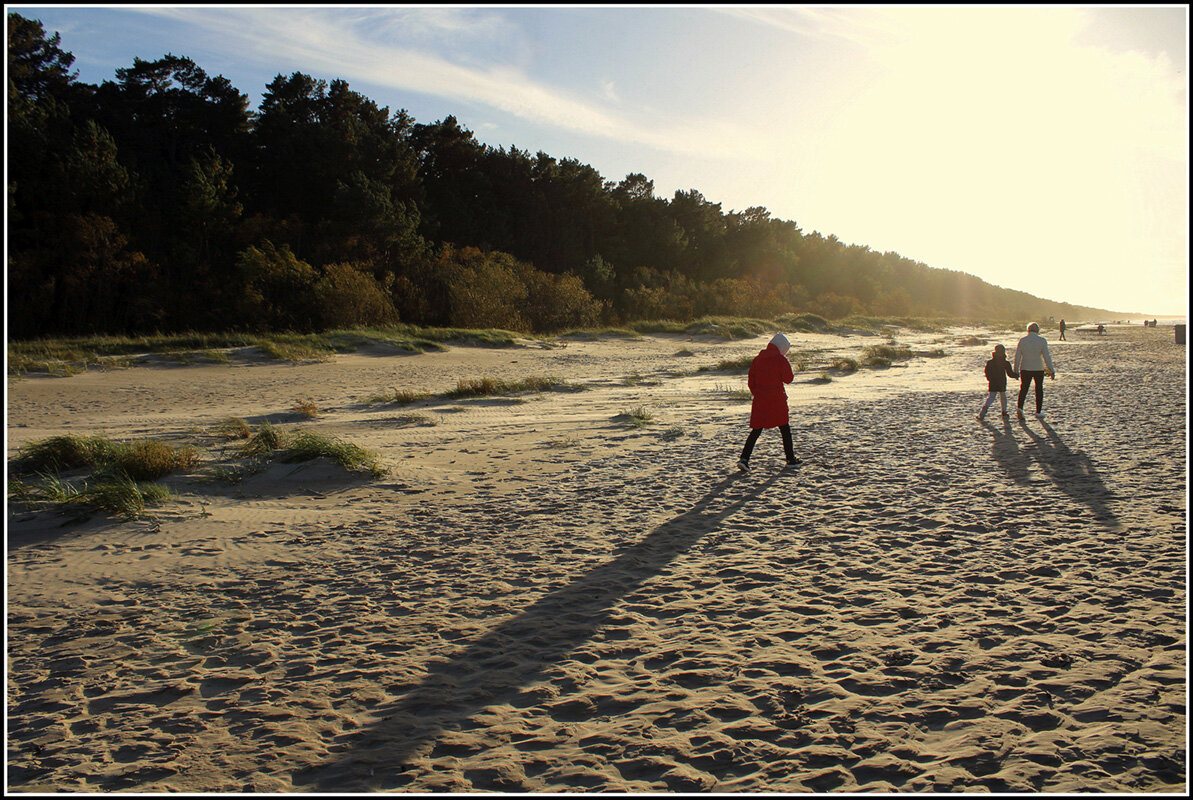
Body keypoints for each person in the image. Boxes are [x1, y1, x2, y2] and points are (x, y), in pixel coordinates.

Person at [737, 333, 798, 471]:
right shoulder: (780, 360)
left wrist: (758, 393)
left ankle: (744, 459)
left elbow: (751, 381)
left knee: (756, 430)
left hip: (760, 400)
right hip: (777, 399)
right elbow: (788, 379)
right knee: (784, 428)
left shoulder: (758, 359)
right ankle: (791, 459)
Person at [1013, 322, 1055, 420]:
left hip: (1025, 367)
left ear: (1028, 330)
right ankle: (1038, 411)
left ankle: (1020, 408)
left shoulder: (1022, 340)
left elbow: (1017, 357)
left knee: (1024, 389)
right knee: (1039, 389)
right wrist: (1051, 370)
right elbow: (1046, 356)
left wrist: (1015, 371)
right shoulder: (1042, 341)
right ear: (1038, 330)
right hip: (1038, 368)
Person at [977, 344, 1018, 420]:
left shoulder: (990, 362)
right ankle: (1004, 412)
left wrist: (989, 379)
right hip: (1002, 382)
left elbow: (987, 372)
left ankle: (983, 411)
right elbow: (1010, 374)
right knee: (1003, 397)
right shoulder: (1005, 362)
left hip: (993, 382)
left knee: (991, 397)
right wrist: (1016, 375)